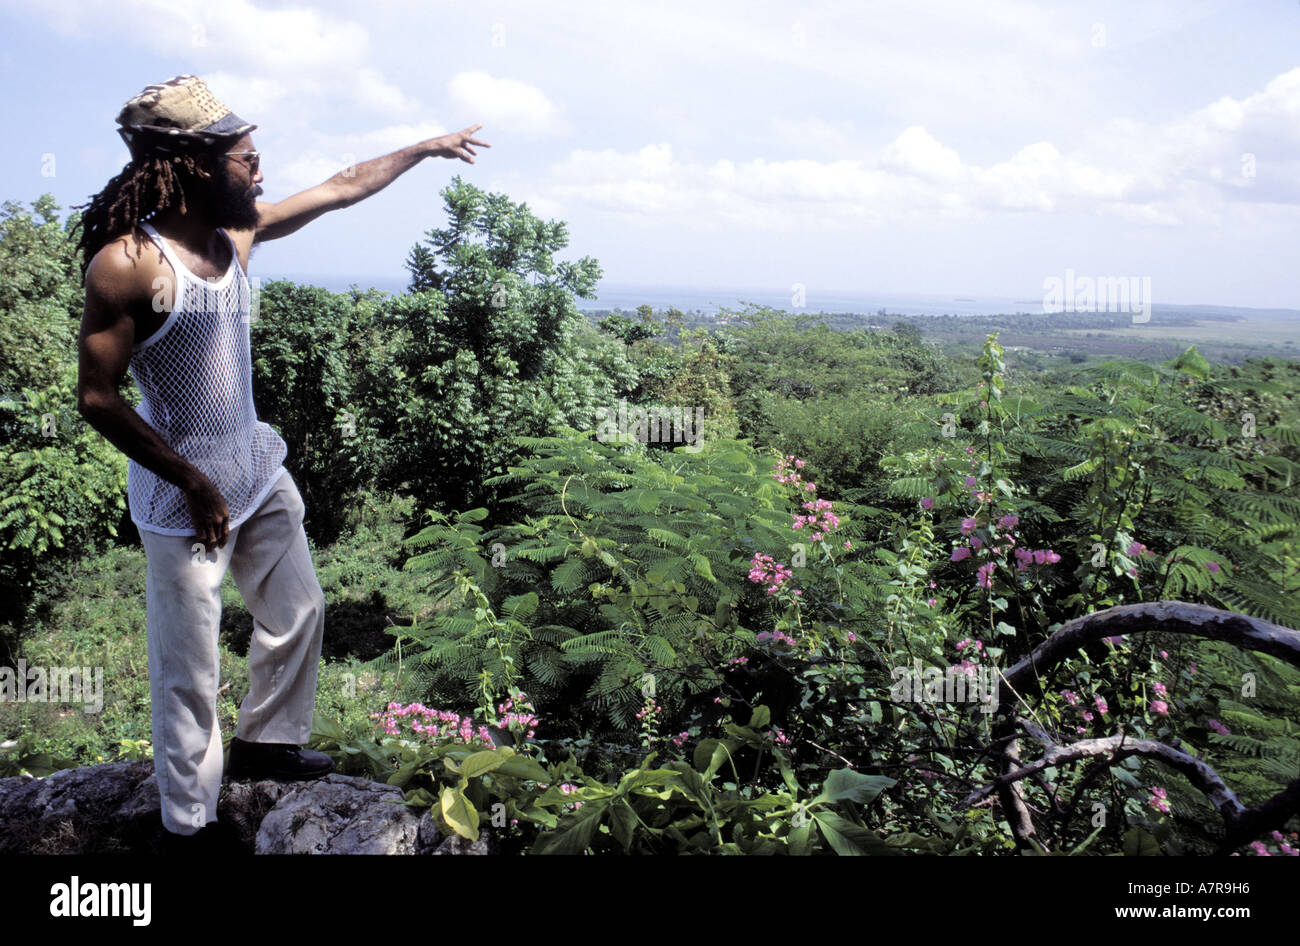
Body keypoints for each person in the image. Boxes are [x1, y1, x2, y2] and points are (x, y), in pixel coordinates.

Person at [72, 75, 490, 854]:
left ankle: (267, 741)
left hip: (255, 467)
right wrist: (190, 481)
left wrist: (426, 148)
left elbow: (339, 187)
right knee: (189, 666)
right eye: (246, 160)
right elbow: (97, 398)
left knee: (299, 609)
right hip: (181, 492)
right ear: (196, 166)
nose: (259, 173)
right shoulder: (129, 266)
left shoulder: (237, 236)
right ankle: (185, 824)